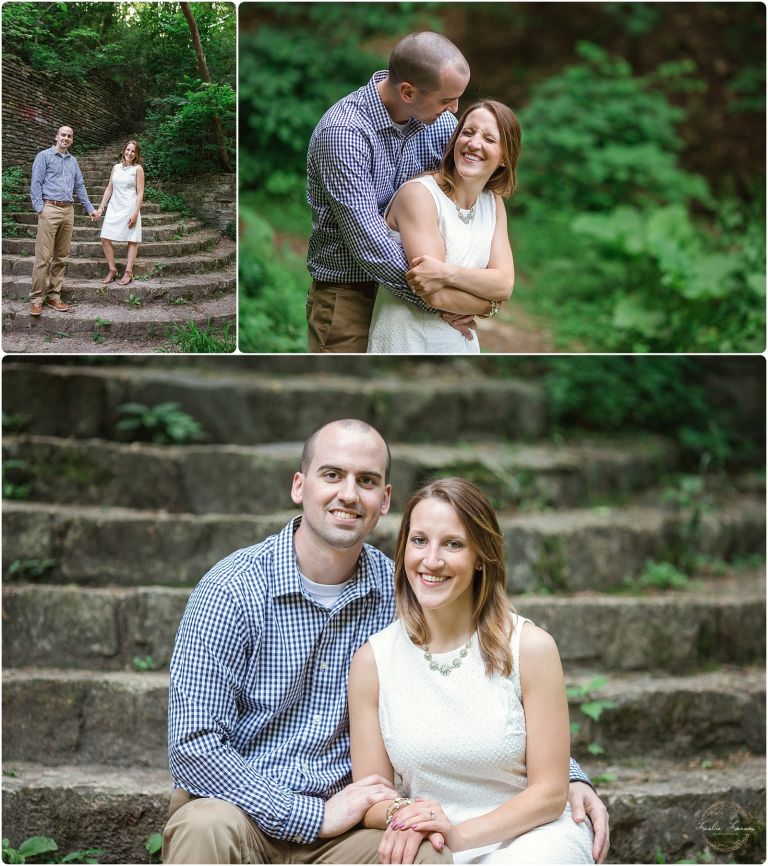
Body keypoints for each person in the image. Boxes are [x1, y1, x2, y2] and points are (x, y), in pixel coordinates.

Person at [162, 419, 610, 864]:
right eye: (332, 475)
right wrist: (311, 815)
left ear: (385, 500)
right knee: (204, 827)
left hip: (350, 830)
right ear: (300, 486)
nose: (349, 494)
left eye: (367, 481)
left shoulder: (406, 592)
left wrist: (568, 778)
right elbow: (193, 746)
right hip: (239, 813)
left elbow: (486, 686)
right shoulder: (231, 591)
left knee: (426, 855)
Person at [349, 478, 598, 864]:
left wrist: (459, 835)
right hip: (431, 843)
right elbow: (372, 797)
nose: (431, 560)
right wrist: (404, 816)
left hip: (534, 838)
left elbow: (550, 793)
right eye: (419, 541)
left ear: (481, 556)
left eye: (453, 544)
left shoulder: (531, 648)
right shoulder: (373, 661)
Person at [307, 32, 481, 353]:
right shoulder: (344, 134)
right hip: (351, 297)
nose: (454, 110)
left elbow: (463, 202)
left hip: (414, 296)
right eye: (446, 100)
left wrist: (469, 292)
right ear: (408, 91)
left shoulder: (438, 123)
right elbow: (370, 243)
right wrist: (442, 300)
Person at [367, 101, 518, 353]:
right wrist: (486, 303)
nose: (474, 143)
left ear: (504, 157)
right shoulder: (420, 195)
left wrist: (447, 274)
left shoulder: (493, 203)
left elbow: (504, 284)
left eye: (489, 139)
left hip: (461, 343)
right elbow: (432, 293)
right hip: (407, 342)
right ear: (455, 140)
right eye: (467, 133)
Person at [28, 125, 100, 316]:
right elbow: (36, 183)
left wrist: (90, 208)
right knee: (43, 258)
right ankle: (36, 299)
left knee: (61, 257)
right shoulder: (44, 156)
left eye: (69, 136)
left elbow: (80, 186)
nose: (66, 138)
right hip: (49, 209)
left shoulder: (73, 161)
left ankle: (54, 296)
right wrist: (40, 209)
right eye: (63, 135)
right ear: (56, 137)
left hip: (68, 211)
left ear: (72, 140)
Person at [96, 139, 144, 286]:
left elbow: (140, 193)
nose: (129, 153)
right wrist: (101, 208)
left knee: (132, 239)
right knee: (104, 237)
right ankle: (112, 270)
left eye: (133, 151)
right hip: (114, 207)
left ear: (136, 155)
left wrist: (135, 213)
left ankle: (128, 272)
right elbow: (109, 189)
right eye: (128, 150)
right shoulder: (115, 167)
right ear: (124, 150)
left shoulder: (138, 169)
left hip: (130, 207)